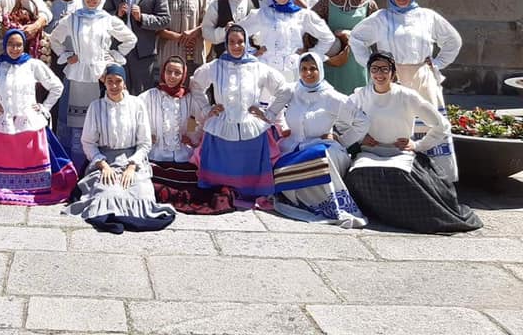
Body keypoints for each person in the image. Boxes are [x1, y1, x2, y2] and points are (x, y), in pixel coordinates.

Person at [345, 52, 481, 233]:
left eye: (385, 69)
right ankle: (378, 214)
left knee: (401, 178)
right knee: (358, 174)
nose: (379, 74)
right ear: (369, 71)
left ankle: (406, 219)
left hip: (400, 154)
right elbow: (341, 120)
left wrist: (418, 145)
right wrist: (360, 137)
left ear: (393, 72)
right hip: (370, 153)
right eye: (375, 69)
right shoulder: (360, 95)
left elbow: (441, 125)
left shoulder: (407, 96)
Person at [349, 0, 462, 181]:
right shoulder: (382, 17)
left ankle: (437, 177)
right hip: (390, 77)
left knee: (429, 122)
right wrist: (371, 63)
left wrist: (437, 63)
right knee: (394, 121)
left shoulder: (427, 16)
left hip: (421, 76)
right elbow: (356, 38)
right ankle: (397, 172)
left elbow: (453, 40)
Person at [63, 64, 176, 233]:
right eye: (110, 81)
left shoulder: (136, 104)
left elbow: (145, 143)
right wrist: (103, 165)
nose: (114, 86)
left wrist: (132, 167)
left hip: (133, 159)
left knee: (141, 193)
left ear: (124, 83)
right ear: (105, 83)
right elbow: (88, 142)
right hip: (105, 159)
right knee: (108, 193)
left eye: (118, 81)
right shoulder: (96, 106)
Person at [0, 29, 77, 204]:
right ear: (5, 45)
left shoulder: (33, 65)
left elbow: (57, 87)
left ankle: (34, 184)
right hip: (3, 124)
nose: (15, 48)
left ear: (24, 45)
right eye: (11, 44)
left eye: (18, 45)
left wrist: (43, 107)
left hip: (29, 124)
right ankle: (3, 182)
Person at [263, 53, 369, 228]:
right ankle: (299, 201)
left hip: (325, 148)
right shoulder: (292, 91)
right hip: (292, 148)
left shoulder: (332, 97)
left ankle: (327, 206)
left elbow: (362, 121)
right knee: (276, 162)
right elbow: (270, 115)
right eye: (304, 69)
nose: (308, 73)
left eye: (313, 68)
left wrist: (342, 140)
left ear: (320, 69)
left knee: (319, 158)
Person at [188, 25, 285, 207]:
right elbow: (195, 84)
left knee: (250, 174)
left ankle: (249, 194)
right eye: (231, 42)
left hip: (251, 129)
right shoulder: (215, 66)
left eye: (240, 42)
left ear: (246, 42)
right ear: (225, 43)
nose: (236, 46)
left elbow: (284, 89)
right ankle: (222, 193)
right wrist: (207, 108)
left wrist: (268, 113)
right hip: (222, 127)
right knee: (218, 181)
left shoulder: (258, 67)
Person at [50, 0, 137, 171]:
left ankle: (100, 163)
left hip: (100, 74)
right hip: (77, 75)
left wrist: (113, 55)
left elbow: (130, 38)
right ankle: (73, 165)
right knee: (75, 122)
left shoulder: (107, 19)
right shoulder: (72, 18)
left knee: (100, 119)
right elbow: (54, 39)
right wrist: (66, 56)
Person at [140, 57, 232, 215]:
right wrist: (147, 136)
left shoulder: (189, 98)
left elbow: (204, 119)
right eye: (169, 71)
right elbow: (134, 117)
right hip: (156, 154)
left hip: (182, 155)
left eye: (177, 73)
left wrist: (194, 138)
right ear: (163, 72)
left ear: (183, 76)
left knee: (195, 185)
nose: (172, 76)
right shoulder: (149, 96)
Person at [239, 0, 335, 82]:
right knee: (267, 98)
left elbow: (327, 37)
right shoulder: (262, 14)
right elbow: (238, 33)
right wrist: (253, 53)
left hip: (294, 70)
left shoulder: (303, 15)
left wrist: (311, 55)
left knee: (293, 97)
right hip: (267, 69)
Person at [104, 0, 170, 94]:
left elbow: (165, 19)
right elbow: (103, 17)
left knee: (143, 93)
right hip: (118, 49)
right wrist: (116, 14)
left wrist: (143, 18)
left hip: (143, 52)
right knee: (117, 92)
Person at [312, 0, 378, 94]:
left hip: (359, 63)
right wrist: (331, 36)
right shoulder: (325, 4)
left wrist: (351, 35)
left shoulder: (369, 5)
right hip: (334, 61)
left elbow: (378, 36)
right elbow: (310, 28)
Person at [157, 0, 209, 75]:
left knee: (195, 90)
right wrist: (177, 37)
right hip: (169, 53)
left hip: (194, 53)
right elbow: (156, 27)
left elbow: (208, 22)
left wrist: (193, 32)